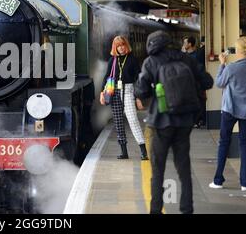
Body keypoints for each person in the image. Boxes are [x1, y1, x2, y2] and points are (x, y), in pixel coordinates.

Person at [134, 30, 213, 214]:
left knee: (158, 169)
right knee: (183, 167)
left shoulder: (151, 62)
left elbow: (141, 91)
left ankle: (155, 210)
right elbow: (208, 82)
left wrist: (156, 89)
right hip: (185, 121)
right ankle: (187, 209)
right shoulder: (186, 59)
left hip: (160, 121)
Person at [100, 35, 148, 160]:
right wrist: (101, 92)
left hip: (128, 90)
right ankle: (124, 152)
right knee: (118, 122)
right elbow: (107, 77)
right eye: (118, 46)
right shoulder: (113, 60)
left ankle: (143, 151)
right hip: (114, 91)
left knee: (132, 119)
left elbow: (138, 79)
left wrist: (138, 97)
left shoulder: (132, 59)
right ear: (115, 47)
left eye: (122, 45)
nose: (121, 48)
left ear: (126, 45)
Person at [209, 36, 246, 192]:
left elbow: (219, 83)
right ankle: (244, 183)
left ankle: (218, 180)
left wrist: (222, 65)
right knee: (244, 146)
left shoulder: (231, 68)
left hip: (229, 110)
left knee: (224, 143)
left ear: (237, 51)